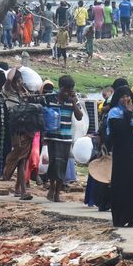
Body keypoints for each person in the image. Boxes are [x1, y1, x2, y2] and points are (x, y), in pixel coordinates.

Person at [107, 85, 133, 227]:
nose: (126, 99)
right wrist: (129, 114)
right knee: (122, 184)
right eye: (122, 96)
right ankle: (121, 217)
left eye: (127, 96)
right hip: (122, 153)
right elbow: (119, 131)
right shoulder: (114, 112)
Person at [43, 74, 83, 202]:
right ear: (60, 87)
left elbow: (79, 116)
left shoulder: (73, 100)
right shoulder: (50, 98)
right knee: (53, 163)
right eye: (65, 89)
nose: (67, 92)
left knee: (62, 164)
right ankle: (52, 188)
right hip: (52, 137)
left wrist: (73, 101)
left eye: (70, 89)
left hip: (65, 138)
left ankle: (57, 193)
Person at [2, 69, 39, 201]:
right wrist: (15, 68)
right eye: (18, 81)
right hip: (16, 128)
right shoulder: (7, 91)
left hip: (27, 127)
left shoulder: (23, 92)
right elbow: (8, 79)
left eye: (21, 80)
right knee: (21, 159)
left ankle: (19, 188)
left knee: (22, 159)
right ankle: (23, 191)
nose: (20, 83)